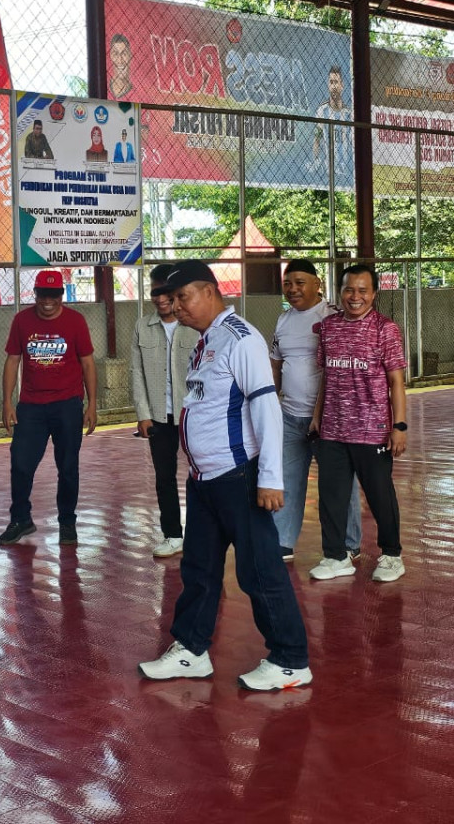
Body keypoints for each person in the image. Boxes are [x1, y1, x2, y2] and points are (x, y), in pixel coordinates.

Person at [138, 261, 311, 692]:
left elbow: (265, 406)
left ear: (210, 292)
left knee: (260, 571)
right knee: (199, 568)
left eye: (183, 298)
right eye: (171, 300)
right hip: (204, 480)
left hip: (239, 477)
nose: (176, 307)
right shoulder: (205, 340)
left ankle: (291, 659)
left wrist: (270, 478)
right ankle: (191, 651)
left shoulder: (241, 339)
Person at [309, 264, 408, 583]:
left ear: (374, 293)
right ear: (340, 292)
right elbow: (327, 376)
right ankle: (336, 556)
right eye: (349, 289)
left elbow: (396, 382)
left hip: (373, 430)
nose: (355, 296)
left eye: (363, 290)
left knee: (380, 495)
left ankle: (392, 555)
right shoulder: (328, 327)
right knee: (332, 496)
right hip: (333, 431)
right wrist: (317, 416)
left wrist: (400, 426)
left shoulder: (385, 329)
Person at [270, 259, 362, 562]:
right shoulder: (283, 320)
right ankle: (282, 541)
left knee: (338, 484)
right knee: (286, 479)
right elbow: (277, 364)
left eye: (299, 282)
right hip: (291, 416)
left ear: (317, 283)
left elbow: (342, 369)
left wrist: (326, 414)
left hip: (330, 419)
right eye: (287, 283)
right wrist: (272, 403)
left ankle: (349, 542)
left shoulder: (333, 316)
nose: (293, 289)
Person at [0, 269, 97, 546]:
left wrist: (92, 404)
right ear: (36, 294)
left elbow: (88, 363)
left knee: (67, 467)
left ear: (61, 296)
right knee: (20, 463)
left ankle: (67, 522)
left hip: (67, 404)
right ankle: (21, 519)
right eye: (43, 294)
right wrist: (7, 402)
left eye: (54, 295)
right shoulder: (21, 321)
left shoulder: (76, 322)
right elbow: (12, 361)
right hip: (31, 406)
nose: (48, 301)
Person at [130, 263, 199, 558]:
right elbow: (136, 373)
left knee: (201, 475)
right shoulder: (142, 327)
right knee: (164, 477)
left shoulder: (195, 326)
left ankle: (203, 533)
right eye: (154, 291)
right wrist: (143, 414)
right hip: (159, 417)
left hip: (194, 416)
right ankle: (173, 534)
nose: (159, 298)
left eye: (164, 291)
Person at [312, 65, 353, 173]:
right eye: (331, 82)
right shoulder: (322, 111)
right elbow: (317, 139)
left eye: (336, 82)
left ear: (342, 85)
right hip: (328, 170)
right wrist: (316, 160)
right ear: (328, 85)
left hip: (347, 171)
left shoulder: (349, 114)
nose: (334, 86)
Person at [108, 33, 134, 100]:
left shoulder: (139, 92)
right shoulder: (103, 88)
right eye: (115, 54)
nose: (120, 60)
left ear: (130, 56)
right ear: (111, 56)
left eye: (124, 54)